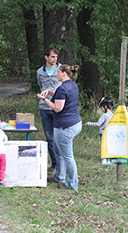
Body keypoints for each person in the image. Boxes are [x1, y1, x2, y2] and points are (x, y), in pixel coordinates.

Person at [37, 64, 82, 192]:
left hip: (65, 126)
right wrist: (49, 92)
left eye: (58, 72)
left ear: (63, 73)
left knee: (67, 156)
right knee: (59, 151)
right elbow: (59, 96)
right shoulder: (72, 85)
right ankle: (59, 177)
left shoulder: (63, 89)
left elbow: (57, 108)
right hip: (75, 123)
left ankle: (72, 184)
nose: (56, 74)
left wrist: (44, 99)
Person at [37, 48, 61, 172]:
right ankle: (55, 163)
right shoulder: (40, 72)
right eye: (52, 57)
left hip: (58, 107)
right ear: (46, 57)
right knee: (49, 137)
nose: (54, 59)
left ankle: (62, 164)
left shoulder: (61, 70)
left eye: (56, 57)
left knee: (59, 136)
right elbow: (40, 85)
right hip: (45, 107)